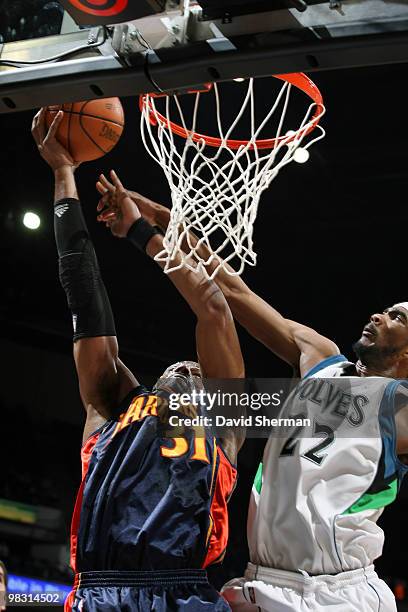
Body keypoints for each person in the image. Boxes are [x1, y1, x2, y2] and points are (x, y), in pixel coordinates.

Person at [106, 184, 408, 611]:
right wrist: (155, 222)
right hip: (262, 583)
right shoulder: (320, 358)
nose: (379, 314)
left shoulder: (399, 405)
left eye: (397, 317)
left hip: (337, 593)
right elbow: (232, 291)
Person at [31, 108, 245, 612]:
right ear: (155, 380)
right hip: (99, 591)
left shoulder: (225, 425)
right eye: (183, 368)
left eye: (198, 372)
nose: (191, 370)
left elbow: (213, 306)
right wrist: (65, 174)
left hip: (180, 593)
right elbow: (83, 293)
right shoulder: (112, 405)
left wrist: (141, 233)